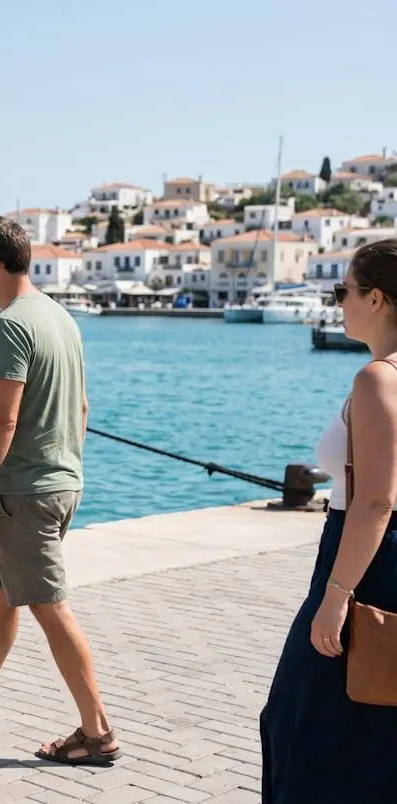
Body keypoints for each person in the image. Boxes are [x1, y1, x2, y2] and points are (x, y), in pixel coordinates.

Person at [0, 216, 121, 765]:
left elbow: (3, 422)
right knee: (1, 596)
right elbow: (83, 407)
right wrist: (64, 469)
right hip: (63, 482)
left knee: (48, 605)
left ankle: (97, 733)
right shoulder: (60, 318)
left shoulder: (9, 326)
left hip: (27, 493)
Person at [260, 239, 397, 802]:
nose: (337, 301)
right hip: (379, 557)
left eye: (344, 290)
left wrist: (336, 596)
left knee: (301, 723)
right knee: (369, 724)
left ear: (378, 298)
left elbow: (375, 502)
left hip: (362, 560)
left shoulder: (379, 380)